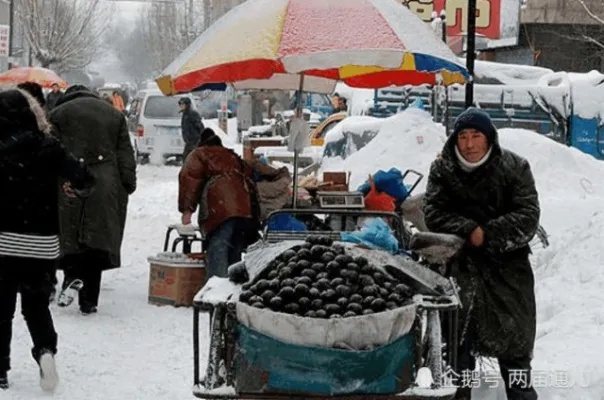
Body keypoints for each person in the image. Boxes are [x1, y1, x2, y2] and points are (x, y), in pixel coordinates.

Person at [422, 108, 540, 400]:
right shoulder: (443, 169)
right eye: (463, 136)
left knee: (515, 351)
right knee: (458, 349)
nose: (470, 144)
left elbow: (528, 216)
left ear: (489, 139)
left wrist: (487, 234)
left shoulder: (515, 167)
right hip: (459, 269)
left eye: (477, 136)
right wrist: (468, 229)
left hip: (508, 271)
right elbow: (433, 211)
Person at [0, 88, 95, 391]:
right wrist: (73, 186)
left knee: (1, 309)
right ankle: (45, 353)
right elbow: (84, 179)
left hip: (3, 242)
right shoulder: (49, 147)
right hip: (41, 244)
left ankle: (0, 370)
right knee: (36, 306)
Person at [50, 85, 137, 315]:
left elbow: (49, 149)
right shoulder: (114, 115)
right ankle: (89, 301)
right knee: (96, 238)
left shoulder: (58, 114)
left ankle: (71, 276)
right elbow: (125, 154)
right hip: (104, 181)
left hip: (68, 179)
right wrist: (128, 183)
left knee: (69, 234)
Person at [178, 128, 259, 278]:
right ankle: (232, 289)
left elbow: (189, 179)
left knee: (218, 247)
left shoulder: (199, 154)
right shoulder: (230, 155)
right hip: (244, 207)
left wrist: (187, 210)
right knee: (234, 249)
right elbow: (250, 174)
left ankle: (216, 291)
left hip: (220, 208)